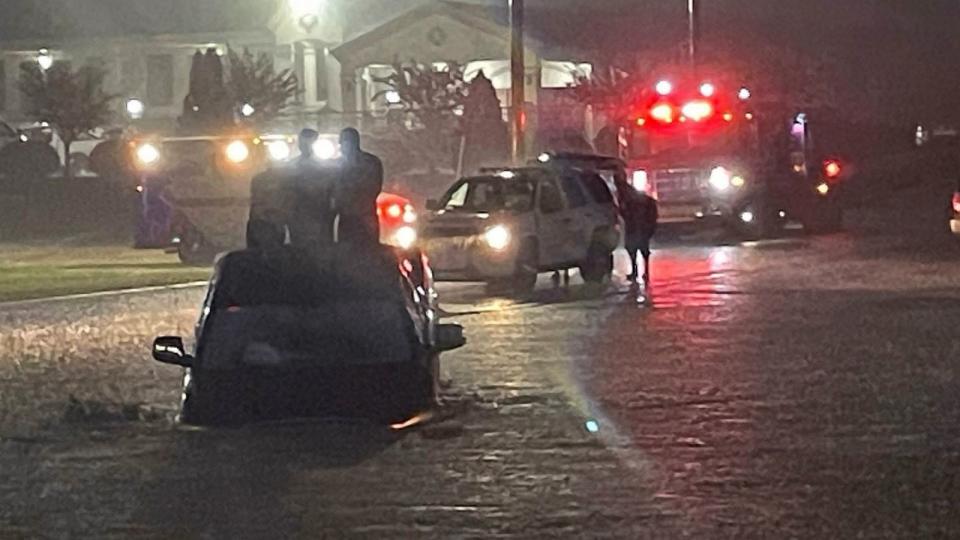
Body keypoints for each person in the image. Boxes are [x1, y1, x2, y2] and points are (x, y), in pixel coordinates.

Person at [335, 127, 384, 245]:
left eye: (344, 142)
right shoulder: (371, 161)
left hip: (360, 216)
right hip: (355, 217)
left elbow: (373, 188)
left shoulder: (369, 162)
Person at [619, 185, 658, 285]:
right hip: (641, 228)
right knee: (641, 249)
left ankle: (636, 271)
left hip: (635, 228)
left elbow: (625, 214)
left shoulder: (630, 202)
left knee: (633, 249)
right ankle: (644, 271)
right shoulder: (646, 202)